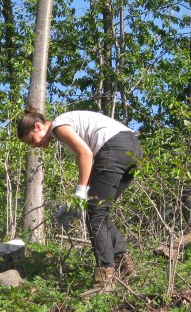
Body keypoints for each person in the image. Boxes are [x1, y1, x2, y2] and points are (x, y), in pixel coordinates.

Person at [17, 107, 141, 293]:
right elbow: (88, 163)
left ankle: (104, 282)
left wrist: (80, 192)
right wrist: (76, 199)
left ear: (37, 126)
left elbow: (86, 154)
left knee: (95, 214)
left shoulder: (58, 126)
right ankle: (125, 268)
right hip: (132, 149)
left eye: (31, 140)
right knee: (100, 211)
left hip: (114, 148)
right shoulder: (64, 125)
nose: (34, 146)